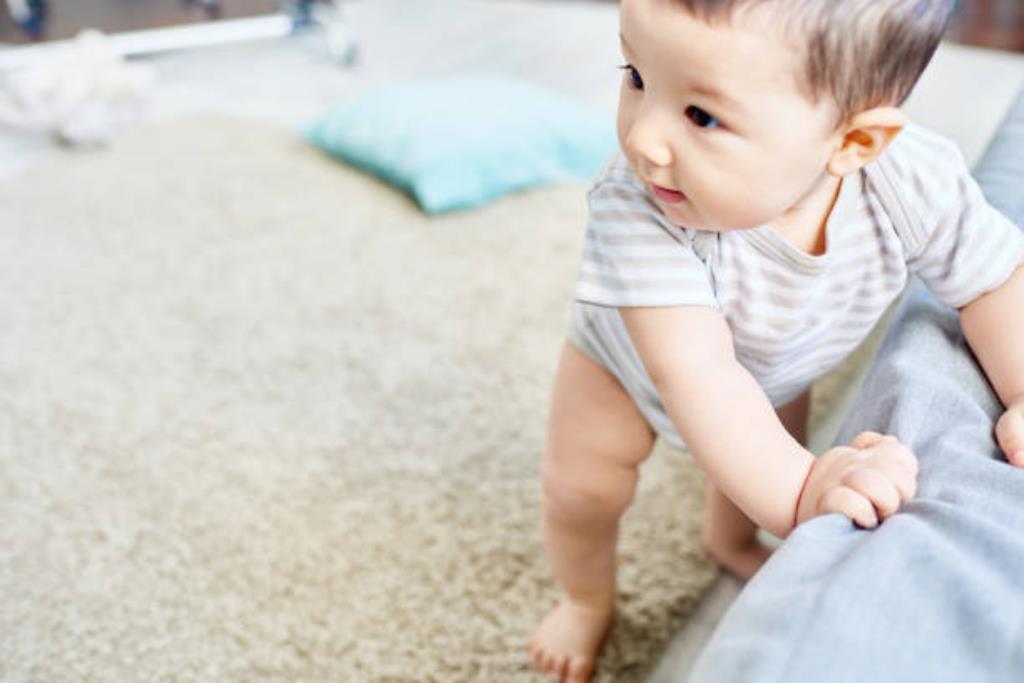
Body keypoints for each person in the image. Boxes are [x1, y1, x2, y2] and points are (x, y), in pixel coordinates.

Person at [527, 1, 1024, 681]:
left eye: (701, 115)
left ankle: (727, 538)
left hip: (781, 367)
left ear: (853, 144)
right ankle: (585, 597)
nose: (643, 139)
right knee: (584, 488)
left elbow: (995, 279)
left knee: (753, 459)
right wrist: (802, 488)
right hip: (624, 367)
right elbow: (698, 375)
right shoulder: (635, 207)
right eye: (636, 74)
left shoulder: (910, 178)